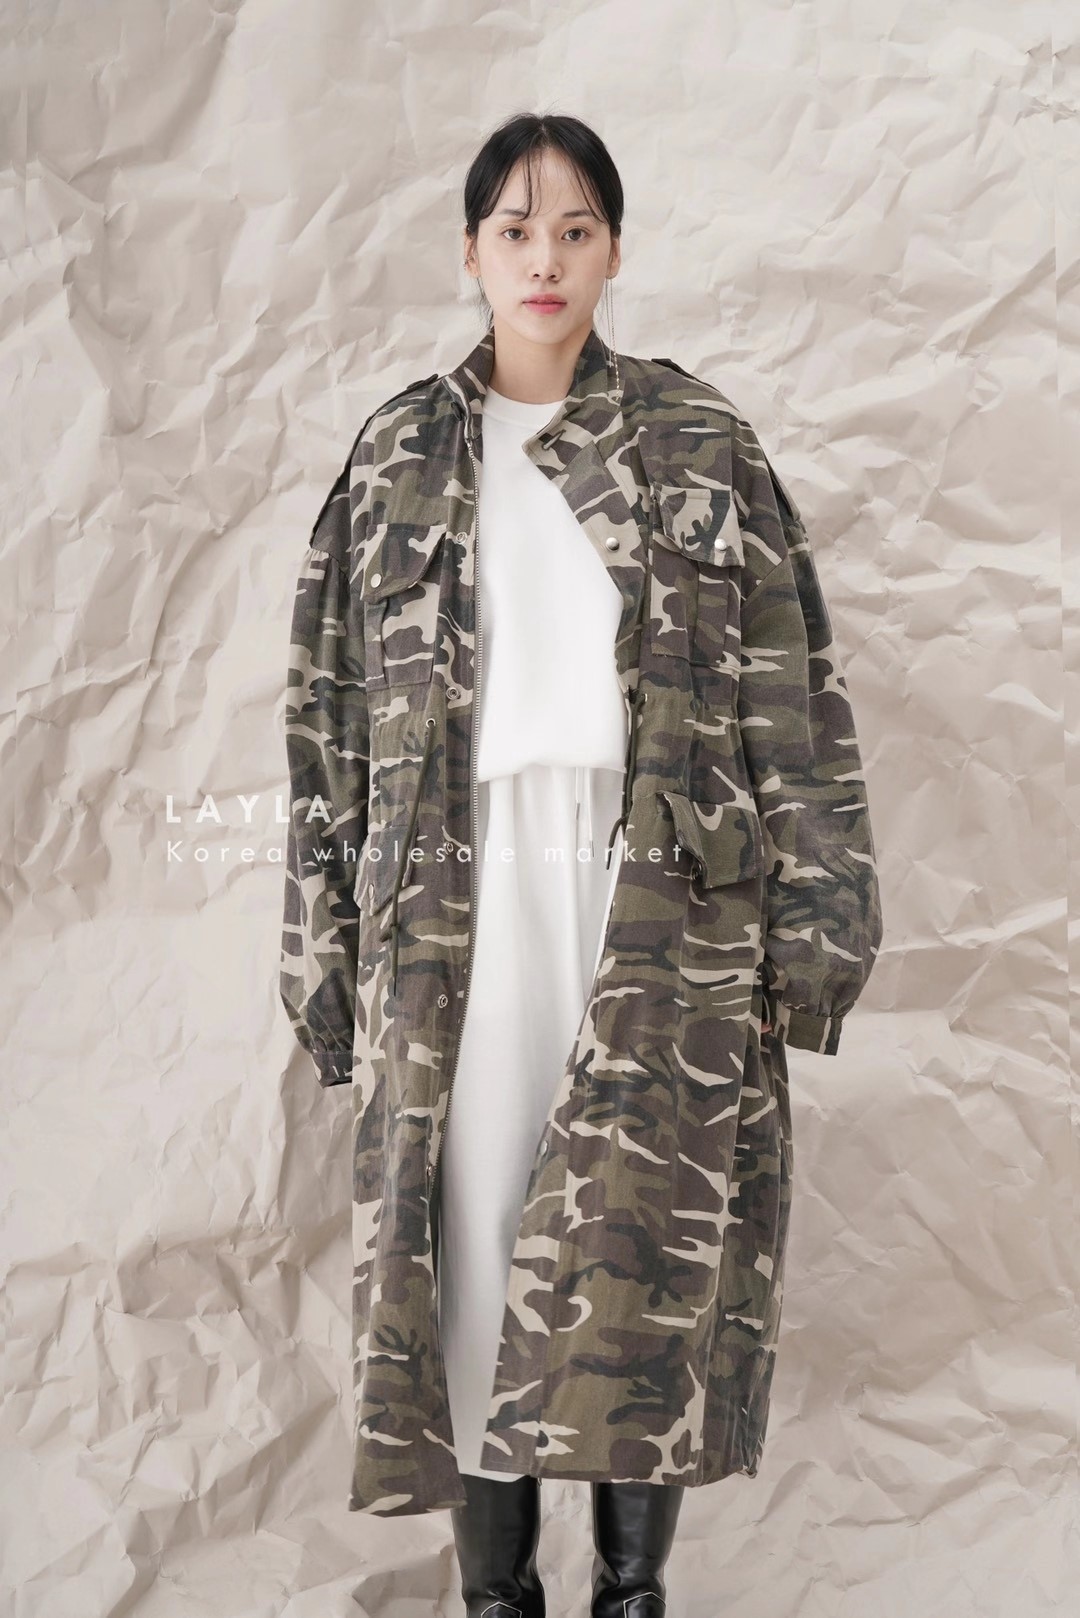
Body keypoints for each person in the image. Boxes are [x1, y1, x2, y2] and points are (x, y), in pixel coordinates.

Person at [280, 111, 883, 1617]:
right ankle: (498, 1601)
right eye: (514, 230)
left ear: (616, 248)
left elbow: (792, 694)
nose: (543, 259)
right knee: (469, 1240)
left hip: (660, 903)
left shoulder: (699, 443)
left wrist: (816, 932)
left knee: (640, 1249)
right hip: (456, 902)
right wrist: (322, 955)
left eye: (575, 230)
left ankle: (632, 1595)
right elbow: (327, 721)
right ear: (469, 250)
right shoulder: (399, 455)